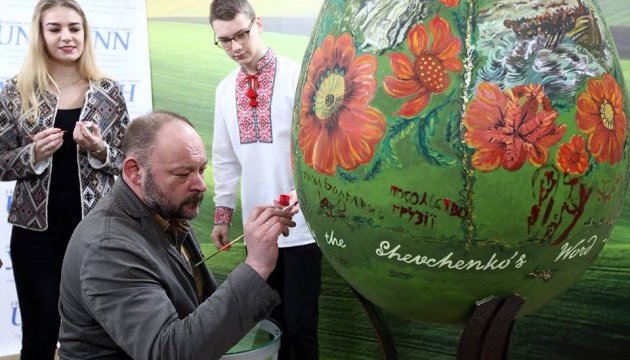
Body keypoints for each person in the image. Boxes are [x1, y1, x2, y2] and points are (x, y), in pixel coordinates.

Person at [58, 110, 296, 359]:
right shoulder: (107, 249)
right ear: (134, 171)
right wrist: (256, 266)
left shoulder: (166, 212)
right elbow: (168, 353)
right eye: (183, 173)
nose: (201, 185)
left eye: (201, 170)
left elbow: (200, 311)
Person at [0, 1, 129, 358]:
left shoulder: (108, 92)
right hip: (34, 237)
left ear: (85, 33)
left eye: (74, 27)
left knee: (102, 340)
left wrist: (101, 149)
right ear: (40, 35)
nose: (66, 36)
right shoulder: (15, 92)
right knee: (39, 339)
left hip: (99, 234)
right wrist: (33, 155)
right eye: (54, 28)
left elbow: (129, 164)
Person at [209, 1, 322, 358]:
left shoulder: (298, 77)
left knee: (301, 324)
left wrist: (297, 199)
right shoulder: (225, 90)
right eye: (225, 40)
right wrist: (222, 214)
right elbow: (224, 158)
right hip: (256, 231)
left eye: (241, 34)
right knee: (269, 324)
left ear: (259, 24)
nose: (236, 46)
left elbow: (316, 152)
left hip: (301, 226)